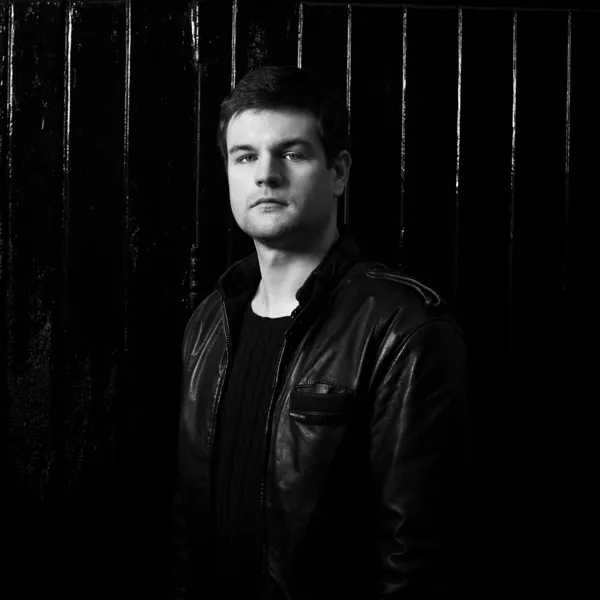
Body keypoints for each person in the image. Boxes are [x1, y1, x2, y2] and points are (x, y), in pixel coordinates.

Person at [171, 65, 473, 600]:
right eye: (245, 156)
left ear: (337, 172)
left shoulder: (403, 329)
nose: (266, 175)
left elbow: (415, 558)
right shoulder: (210, 323)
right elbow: (188, 525)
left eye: (291, 154)